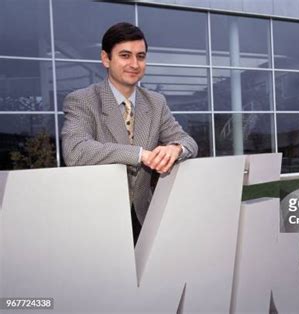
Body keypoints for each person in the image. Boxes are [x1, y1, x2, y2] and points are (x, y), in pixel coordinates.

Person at [61, 22, 198, 244]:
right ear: (106, 59)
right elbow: (75, 151)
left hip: (145, 218)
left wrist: (175, 149)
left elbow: (187, 141)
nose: (134, 64)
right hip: (98, 222)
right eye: (125, 55)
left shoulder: (155, 102)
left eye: (141, 56)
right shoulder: (83, 100)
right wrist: (141, 155)